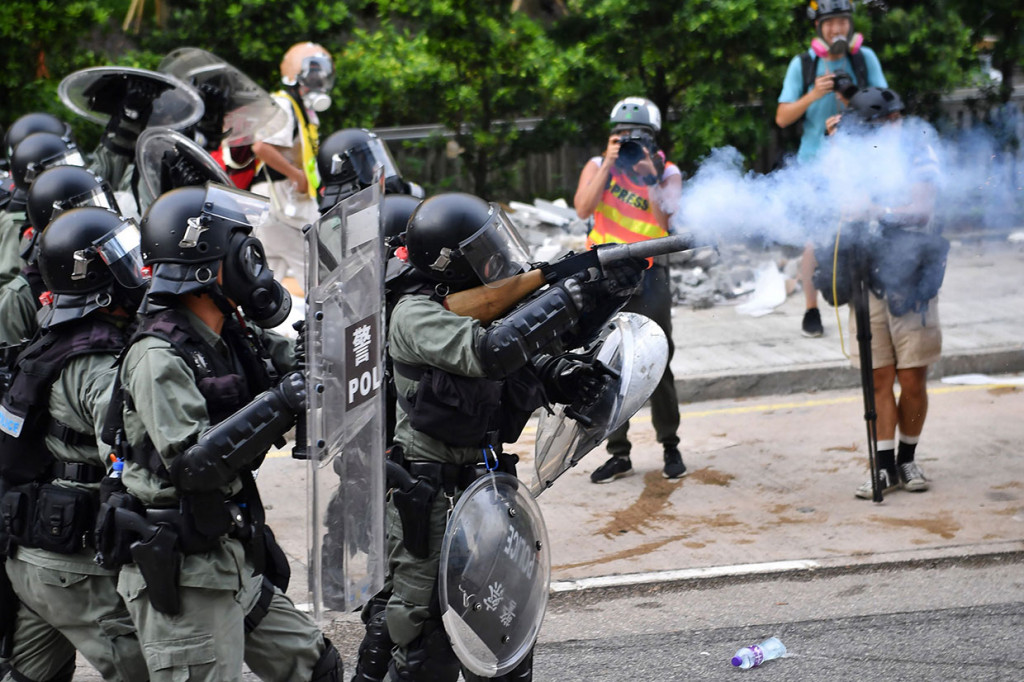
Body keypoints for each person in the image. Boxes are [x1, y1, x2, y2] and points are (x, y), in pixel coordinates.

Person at [362, 192, 636, 681]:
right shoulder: (412, 314)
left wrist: (605, 293)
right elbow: (492, 351)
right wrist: (565, 293)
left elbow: (542, 346)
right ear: (450, 263)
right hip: (430, 499)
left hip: (488, 494)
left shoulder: (483, 304)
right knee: (425, 643)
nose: (494, 259)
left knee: (505, 636)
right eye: (480, 251)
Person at [100, 184, 342, 680]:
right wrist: (283, 401)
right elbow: (194, 465)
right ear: (209, 268)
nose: (254, 264)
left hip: (230, 549)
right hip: (185, 568)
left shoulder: (227, 331)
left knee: (316, 666)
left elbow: (296, 366)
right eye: (243, 249)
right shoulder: (157, 356)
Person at [0, 207, 150, 681]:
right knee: (161, 667)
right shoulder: (94, 361)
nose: (137, 269)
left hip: (38, 555)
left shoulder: (54, 339)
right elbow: (142, 446)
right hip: (75, 568)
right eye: (123, 258)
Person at [822, 87, 943, 498]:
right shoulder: (855, 155)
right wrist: (838, 147)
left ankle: (907, 458)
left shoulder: (917, 152)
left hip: (910, 276)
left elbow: (922, 209)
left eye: (893, 120)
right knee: (877, 378)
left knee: (911, 377)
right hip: (866, 273)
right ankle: (884, 465)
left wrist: (879, 213)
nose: (892, 127)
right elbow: (836, 199)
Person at [573, 96, 686, 483]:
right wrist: (608, 163)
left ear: (653, 139)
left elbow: (665, 219)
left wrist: (649, 175)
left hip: (650, 275)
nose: (628, 141)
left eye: (636, 136)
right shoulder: (597, 166)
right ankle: (618, 452)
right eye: (621, 135)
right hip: (603, 275)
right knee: (608, 364)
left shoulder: (666, 171)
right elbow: (583, 208)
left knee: (658, 361)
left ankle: (670, 445)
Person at [775, 0, 887, 337]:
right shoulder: (804, 64)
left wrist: (851, 97)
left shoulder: (863, 59)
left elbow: (884, 106)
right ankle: (811, 309)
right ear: (818, 27)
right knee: (814, 239)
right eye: (831, 23)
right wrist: (814, 93)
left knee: (859, 230)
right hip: (815, 166)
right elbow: (782, 118)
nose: (838, 29)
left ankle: (862, 302)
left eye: (843, 22)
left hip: (858, 163)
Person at [252, 42, 335, 290]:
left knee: (264, 280)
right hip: (280, 203)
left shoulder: (305, 110)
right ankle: (327, 326)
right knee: (318, 274)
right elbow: (260, 146)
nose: (320, 80)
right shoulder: (284, 104)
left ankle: (254, 327)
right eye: (314, 73)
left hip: (282, 206)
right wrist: (297, 175)